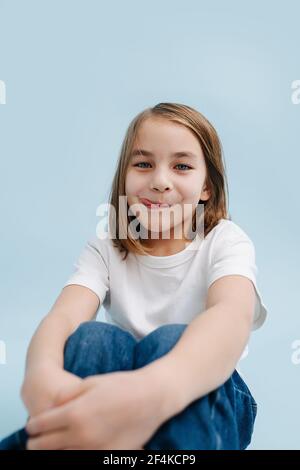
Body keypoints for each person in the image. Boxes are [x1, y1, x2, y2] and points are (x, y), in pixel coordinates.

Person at [0, 102, 267, 450]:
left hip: (210, 397)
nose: (159, 181)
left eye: (182, 166)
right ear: (124, 177)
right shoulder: (107, 249)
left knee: (171, 341)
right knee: (92, 338)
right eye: (143, 164)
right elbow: (63, 318)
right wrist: (41, 373)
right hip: (114, 401)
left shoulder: (225, 241)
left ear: (207, 188)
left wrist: (155, 390)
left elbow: (231, 317)